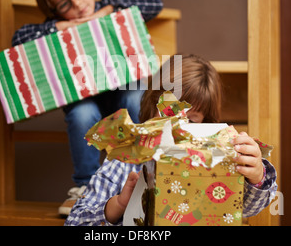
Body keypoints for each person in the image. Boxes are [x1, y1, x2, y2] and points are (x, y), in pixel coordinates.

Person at [11, 0, 163, 216]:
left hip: (122, 94)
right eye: (64, 4)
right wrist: (63, 27)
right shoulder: (55, 26)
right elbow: (18, 40)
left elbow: (153, 3)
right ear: (55, 11)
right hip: (85, 102)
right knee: (81, 114)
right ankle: (85, 186)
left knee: (136, 97)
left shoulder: (109, 4)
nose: (77, 4)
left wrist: (107, 12)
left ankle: (143, 173)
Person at [64, 54, 278, 226]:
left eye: (191, 121)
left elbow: (246, 207)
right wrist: (117, 205)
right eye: (170, 113)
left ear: (205, 125)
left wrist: (256, 176)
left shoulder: (214, 161)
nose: (178, 127)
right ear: (152, 105)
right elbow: (75, 221)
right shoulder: (123, 164)